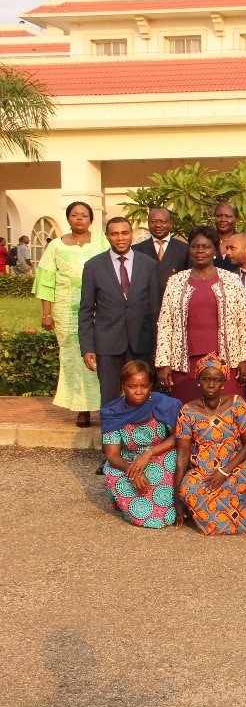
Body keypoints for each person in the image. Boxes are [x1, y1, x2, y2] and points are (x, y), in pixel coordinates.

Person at [155, 226, 246, 403]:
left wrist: (245, 359)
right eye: (195, 246)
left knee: (229, 410)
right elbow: (165, 323)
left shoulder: (232, 280)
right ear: (189, 249)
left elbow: (243, 322)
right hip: (184, 363)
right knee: (189, 412)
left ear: (215, 250)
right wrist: (163, 362)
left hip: (227, 361)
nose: (200, 251)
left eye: (206, 247)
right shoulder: (176, 281)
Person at [34, 201, 109, 427]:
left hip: (99, 306)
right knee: (73, 359)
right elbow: (46, 281)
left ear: (90, 219)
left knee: (102, 353)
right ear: (68, 218)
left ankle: (104, 406)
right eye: (74, 215)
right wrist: (46, 314)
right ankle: (82, 408)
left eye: (84, 215)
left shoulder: (102, 241)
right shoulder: (56, 246)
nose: (79, 219)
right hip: (66, 309)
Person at [79, 216, 161, 406]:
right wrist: (87, 347)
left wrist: (158, 345)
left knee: (142, 397)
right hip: (107, 343)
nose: (120, 238)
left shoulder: (148, 264)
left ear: (132, 234)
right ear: (107, 236)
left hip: (141, 342)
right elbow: (85, 310)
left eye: (124, 233)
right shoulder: (93, 266)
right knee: (109, 398)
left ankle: (142, 435)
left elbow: (156, 308)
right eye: (114, 234)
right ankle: (110, 435)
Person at [173, 355, 246, 535]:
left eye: (217, 380)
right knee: (189, 486)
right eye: (206, 379)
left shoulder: (237, 404)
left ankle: (237, 523)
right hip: (204, 471)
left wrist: (225, 471)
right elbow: (183, 454)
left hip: (235, 466)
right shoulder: (187, 411)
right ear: (198, 380)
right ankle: (219, 525)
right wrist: (177, 496)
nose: (211, 384)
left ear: (223, 382)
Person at [99, 360, 182, 528]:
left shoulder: (163, 404)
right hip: (128, 462)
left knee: (175, 462)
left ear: (151, 385)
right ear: (122, 386)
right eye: (132, 387)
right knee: (113, 475)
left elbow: (178, 438)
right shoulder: (113, 412)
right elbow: (112, 454)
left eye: (144, 386)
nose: (138, 392)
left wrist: (149, 454)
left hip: (161, 456)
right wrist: (133, 472)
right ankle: (135, 509)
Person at [132, 206, 189, 291]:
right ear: (148, 223)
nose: (158, 225)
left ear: (171, 223)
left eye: (163, 222)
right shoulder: (136, 250)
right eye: (154, 222)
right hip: (147, 301)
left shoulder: (185, 249)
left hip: (174, 300)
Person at [211, 200, 238, 269]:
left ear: (236, 219)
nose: (223, 219)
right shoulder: (208, 240)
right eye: (219, 216)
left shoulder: (243, 242)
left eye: (227, 216)